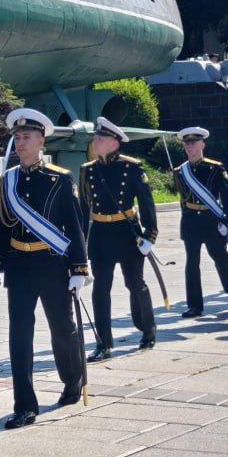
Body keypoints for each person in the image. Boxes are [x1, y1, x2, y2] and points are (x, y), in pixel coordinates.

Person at [0, 108, 88, 429]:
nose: (20, 143)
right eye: (17, 137)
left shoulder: (60, 179)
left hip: (51, 263)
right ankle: (24, 406)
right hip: (19, 265)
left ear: (41, 141)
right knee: (19, 335)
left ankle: (72, 378)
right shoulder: (7, 180)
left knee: (62, 329)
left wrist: (79, 268)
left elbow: (74, 226)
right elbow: (2, 226)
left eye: (27, 137)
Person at [79, 116, 158, 360]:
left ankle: (147, 329)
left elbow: (146, 202)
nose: (95, 141)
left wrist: (149, 235)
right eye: (96, 137)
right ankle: (103, 343)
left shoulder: (131, 167)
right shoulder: (87, 170)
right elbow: (83, 209)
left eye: (100, 138)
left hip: (126, 233)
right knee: (100, 289)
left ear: (114, 143)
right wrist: (79, 245)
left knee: (135, 284)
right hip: (101, 234)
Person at [173, 126, 228, 316]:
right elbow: (183, 199)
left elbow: (227, 197)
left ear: (202, 145)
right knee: (192, 264)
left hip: (212, 221)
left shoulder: (215, 168)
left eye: (193, 143)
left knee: (221, 258)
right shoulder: (180, 171)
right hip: (191, 222)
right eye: (187, 144)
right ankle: (194, 305)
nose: (190, 147)